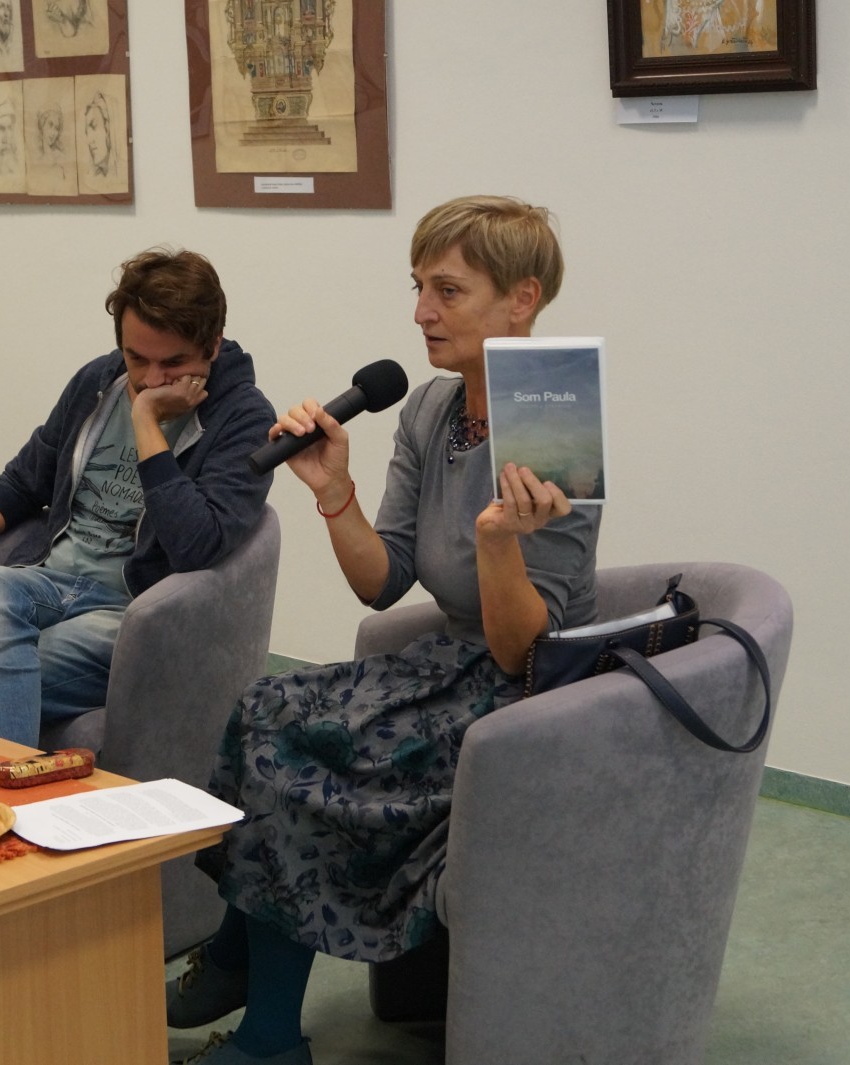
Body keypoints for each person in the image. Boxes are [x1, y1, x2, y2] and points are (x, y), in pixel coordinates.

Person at [166, 196, 601, 1065]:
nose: (421, 312)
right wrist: (335, 490)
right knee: (263, 705)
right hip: (443, 664)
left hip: (522, 694)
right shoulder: (432, 408)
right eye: (418, 287)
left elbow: (525, 649)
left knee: (302, 749)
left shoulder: (556, 424)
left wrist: (497, 542)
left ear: (522, 298)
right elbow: (383, 581)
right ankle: (240, 956)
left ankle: (267, 1034)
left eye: (448, 291)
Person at [0, 248, 276, 747]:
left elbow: (197, 545)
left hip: (131, 610)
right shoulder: (97, 383)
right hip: (52, 581)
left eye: (173, 363)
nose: (151, 380)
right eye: (137, 358)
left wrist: (146, 421)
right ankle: (18, 780)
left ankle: (3, 784)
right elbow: (22, 481)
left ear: (212, 346)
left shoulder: (244, 418)